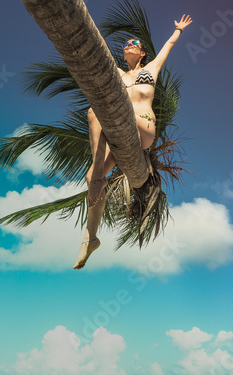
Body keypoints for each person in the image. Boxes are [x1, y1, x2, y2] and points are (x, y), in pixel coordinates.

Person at [73, 14, 193, 270]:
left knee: (97, 112)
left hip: (143, 128)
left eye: (133, 43)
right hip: (118, 136)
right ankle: (91, 237)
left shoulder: (151, 70)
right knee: (90, 171)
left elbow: (167, 48)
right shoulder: (115, 73)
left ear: (142, 53)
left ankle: (97, 179)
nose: (128, 44)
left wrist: (178, 31)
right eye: (126, 43)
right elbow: (96, 53)